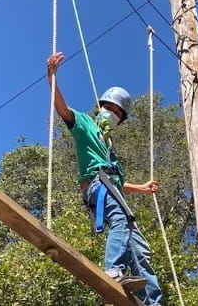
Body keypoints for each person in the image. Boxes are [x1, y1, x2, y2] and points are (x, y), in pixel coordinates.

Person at [46, 52, 163, 305]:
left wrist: (142, 189)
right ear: (100, 107)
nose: (112, 113)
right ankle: (113, 270)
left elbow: (119, 184)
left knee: (140, 249)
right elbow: (62, 110)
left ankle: (153, 302)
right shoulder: (85, 124)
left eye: (117, 112)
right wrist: (52, 77)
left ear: (121, 120)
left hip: (111, 187)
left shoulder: (110, 150)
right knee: (121, 218)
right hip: (97, 185)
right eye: (108, 108)